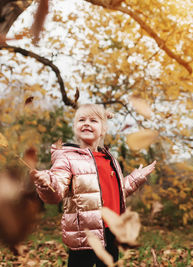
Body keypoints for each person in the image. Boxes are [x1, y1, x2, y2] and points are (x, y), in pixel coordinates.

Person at [30, 104, 156, 267]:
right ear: (75, 127)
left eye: (93, 120)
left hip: (111, 229)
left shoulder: (110, 159)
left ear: (103, 129)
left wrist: (135, 178)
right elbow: (57, 191)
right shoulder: (67, 158)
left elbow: (118, 192)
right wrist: (47, 183)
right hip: (85, 233)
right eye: (81, 120)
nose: (87, 123)